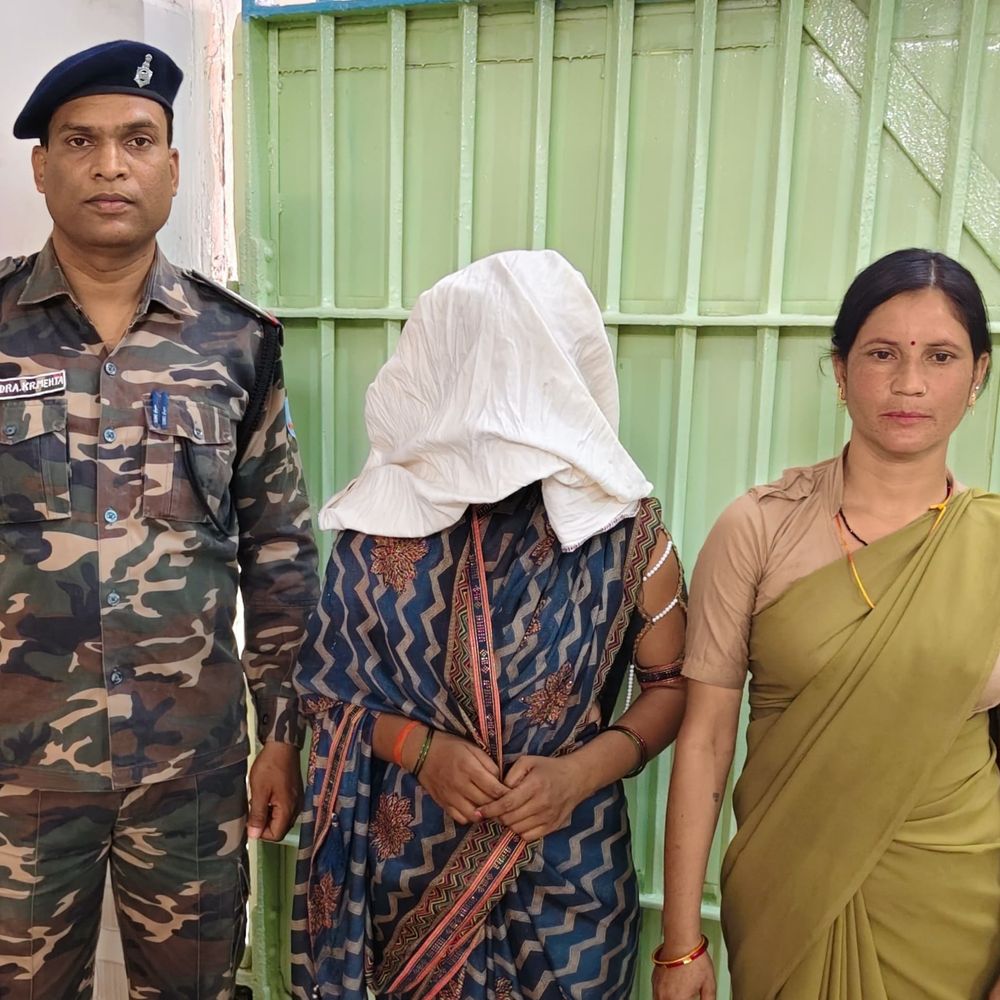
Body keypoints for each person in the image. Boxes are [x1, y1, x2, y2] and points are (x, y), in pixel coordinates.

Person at [0, 40, 319, 998]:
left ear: (173, 167)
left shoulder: (237, 342)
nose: (110, 165)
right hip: (15, 772)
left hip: (191, 771)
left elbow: (280, 555)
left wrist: (283, 733)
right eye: (81, 141)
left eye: (137, 140)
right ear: (41, 168)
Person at [290, 249, 687, 1000]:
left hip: (570, 884)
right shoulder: (379, 527)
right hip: (410, 880)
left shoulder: (626, 536)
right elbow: (324, 696)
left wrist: (577, 775)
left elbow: (670, 690)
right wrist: (421, 751)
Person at [654, 248, 1000, 1000]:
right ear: (841, 372)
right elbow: (705, 740)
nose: (909, 383)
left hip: (956, 908)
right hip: (789, 898)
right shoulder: (757, 528)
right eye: (882, 353)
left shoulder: (993, 546)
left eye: (940, 356)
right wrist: (680, 944)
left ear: (978, 376)